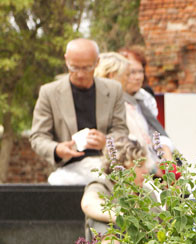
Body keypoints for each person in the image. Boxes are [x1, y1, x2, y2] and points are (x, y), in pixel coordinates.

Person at [30, 39, 129, 185]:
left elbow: (121, 131)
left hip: (107, 166)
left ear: (97, 62)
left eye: (87, 68)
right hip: (68, 168)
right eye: (74, 67)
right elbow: (38, 137)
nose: (80, 74)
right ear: (66, 60)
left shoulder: (114, 90)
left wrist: (106, 142)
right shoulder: (49, 92)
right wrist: (57, 149)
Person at [95, 52, 174, 167]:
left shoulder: (136, 101)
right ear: (112, 76)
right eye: (127, 75)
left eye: (140, 71)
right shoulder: (110, 105)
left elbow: (150, 136)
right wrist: (153, 169)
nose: (132, 79)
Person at [118, 48, 159, 118]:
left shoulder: (147, 98)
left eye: (141, 71)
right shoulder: (115, 101)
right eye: (132, 72)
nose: (138, 77)